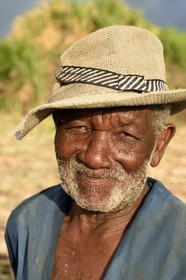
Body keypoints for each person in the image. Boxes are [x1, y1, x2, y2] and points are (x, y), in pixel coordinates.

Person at [5, 25, 186, 280]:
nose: (95, 158)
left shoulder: (180, 248)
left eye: (125, 135)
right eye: (78, 128)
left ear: (159, 144)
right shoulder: (27, 224)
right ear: (57, 128)